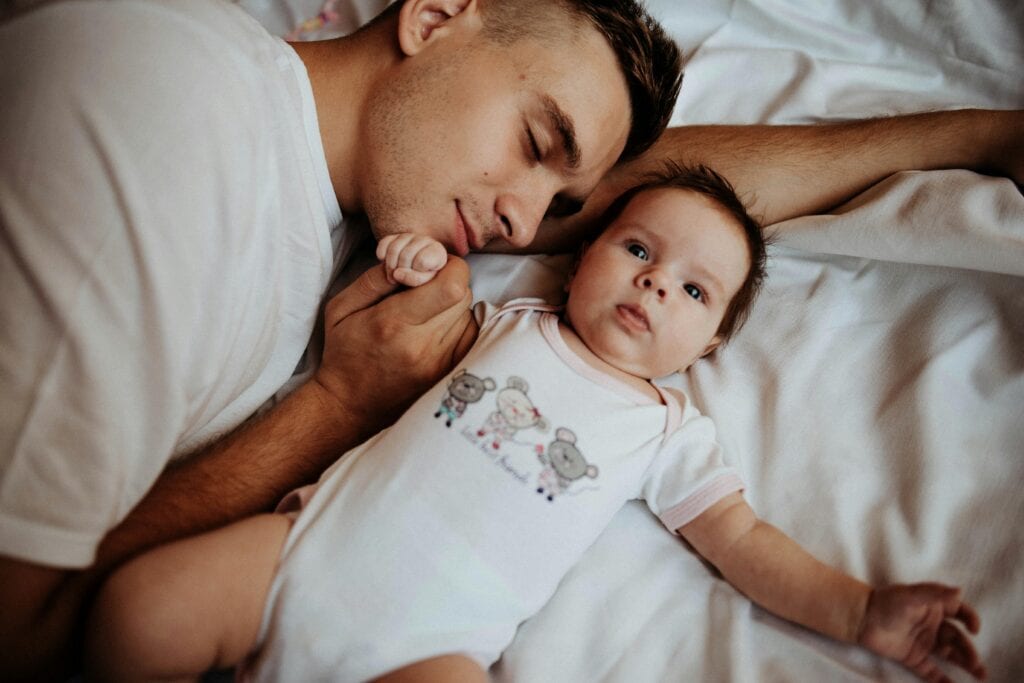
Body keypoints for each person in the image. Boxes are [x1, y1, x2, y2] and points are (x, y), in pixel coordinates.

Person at [0, 0, 1019, 678]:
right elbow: (25, 636)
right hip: (284, 562)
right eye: (537, 144)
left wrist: (971, 139)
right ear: (437, 13)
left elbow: (673, 210)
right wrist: (341, 405)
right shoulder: (157, 128)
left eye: (562, 199)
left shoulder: (372, 189)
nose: (527, 229)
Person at [86, 165, 986, 683]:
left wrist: (861, 608)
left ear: (708, 341)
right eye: (638, 248)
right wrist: (419, 259)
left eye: (695, 289)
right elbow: (420, 323)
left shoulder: (668, 429)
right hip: (302, 552)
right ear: (584, 255)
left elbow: (744, 541)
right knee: (133, 614)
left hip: (433, 648)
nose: (655, 281)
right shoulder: (510, 322)